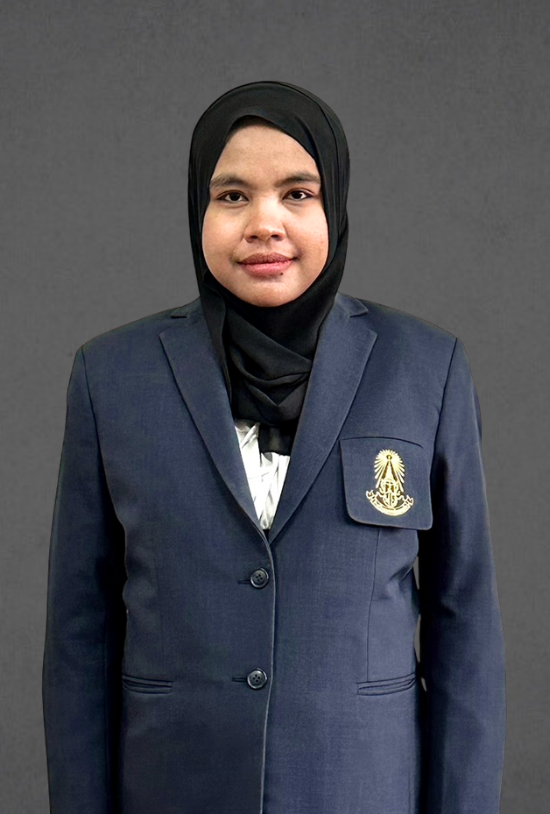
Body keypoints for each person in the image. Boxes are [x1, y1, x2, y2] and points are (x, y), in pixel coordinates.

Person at [42, 80, 506, 814]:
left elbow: (466, 623)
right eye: (232, 196)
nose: (265, 223)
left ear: (335, 207)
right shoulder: (112, 376)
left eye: (297, 194)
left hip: (362, 790)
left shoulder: (425, 369)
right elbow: (80, 636)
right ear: (197, 208)